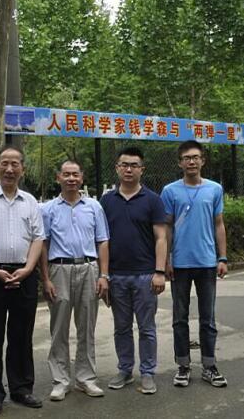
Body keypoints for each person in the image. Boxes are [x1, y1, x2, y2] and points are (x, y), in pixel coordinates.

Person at [0, 146, 45, 417]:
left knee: (21, 334)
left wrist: (28, 269)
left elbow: (38, 238)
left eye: (15, 164)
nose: (9, 169)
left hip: (24, 275)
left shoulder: (31, 201)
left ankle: (21, 388)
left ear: (22, 169)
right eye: (4, 163)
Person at [160, 140, 228, 388]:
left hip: (207, 262)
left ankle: (209, 366)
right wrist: (166, 259)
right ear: (180, 163)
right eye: (186, 158)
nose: (191, 161)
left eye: (195, 157)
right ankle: (183, 365)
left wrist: (222, 257)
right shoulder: (169, 191)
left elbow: (218, 224)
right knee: (180, 318)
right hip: (179, 264)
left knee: (208, 318)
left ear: (202, 161)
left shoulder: (214, 189)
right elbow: (166, 227)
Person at [40, 160, 109, 401]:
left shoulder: (94, 207)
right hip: (59, 269)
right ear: (58, 177)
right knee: (59, 328)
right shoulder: (47, 209)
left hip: (88, 268)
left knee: (86, 327)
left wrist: (104, 275)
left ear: (82, 177)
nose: (71, 178)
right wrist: (45, 278)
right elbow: (43, 244)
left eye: (75, 174)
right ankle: (60, 381)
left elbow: (103, 241)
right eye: (66, 174)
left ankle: (86, 378)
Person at [100, 147, 167, 395]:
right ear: (117, 168)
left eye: (134, 165)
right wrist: (103, 275)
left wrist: (159, 272)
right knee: (122, 327)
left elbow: (161, 238)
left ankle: (147, 373)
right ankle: (125, 370)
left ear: (142, 169)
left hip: (145, 275)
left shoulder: (153, 200)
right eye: (124, 165)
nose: (129, 169)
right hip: (116, 275)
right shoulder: (106, 201)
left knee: (147, 328)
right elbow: (102, 240)